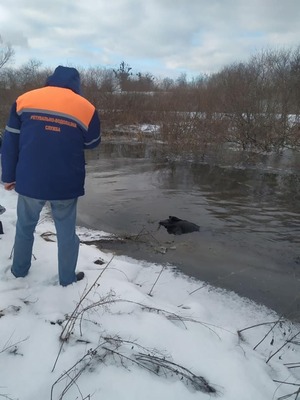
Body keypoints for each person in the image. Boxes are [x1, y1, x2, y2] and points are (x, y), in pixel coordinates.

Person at [1, 65, 101, 286]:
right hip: (65, 182)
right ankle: (66, 279)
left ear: (50, 80)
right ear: (76, 85)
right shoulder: (86, 107)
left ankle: (19, 272)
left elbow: (10, 141)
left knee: (25, 227)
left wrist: (8, 176)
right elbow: (92, 143)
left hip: (29, 178)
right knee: (66, 232)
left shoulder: (24, 100)